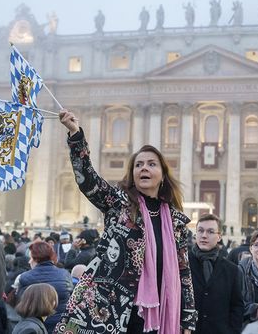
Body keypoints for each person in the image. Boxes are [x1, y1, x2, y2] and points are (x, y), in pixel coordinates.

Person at [56, 110, 197, 333]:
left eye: (152, 164)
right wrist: (75, 135)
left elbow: (184, 273)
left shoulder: (176, 221)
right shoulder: (117, 203)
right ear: (132, 174)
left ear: (162, 174)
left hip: (159, 313)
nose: (144, 168)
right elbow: (88, 180)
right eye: (139, 165)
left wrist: (187, 321)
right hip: (111, 310)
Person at [188, 214, 243, 333]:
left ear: (219, 237)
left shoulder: (231, 270)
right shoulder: (181, 264)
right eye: (200, 231)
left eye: (210, 231)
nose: (204, 235)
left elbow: (237, 306)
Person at [14, 241, 72, 333]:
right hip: (61, 325)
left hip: (35, 326)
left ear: (36, 259)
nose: (29, 261)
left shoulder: (25, 277)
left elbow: (21, 303)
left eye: (31, 258)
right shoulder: (65, 274)